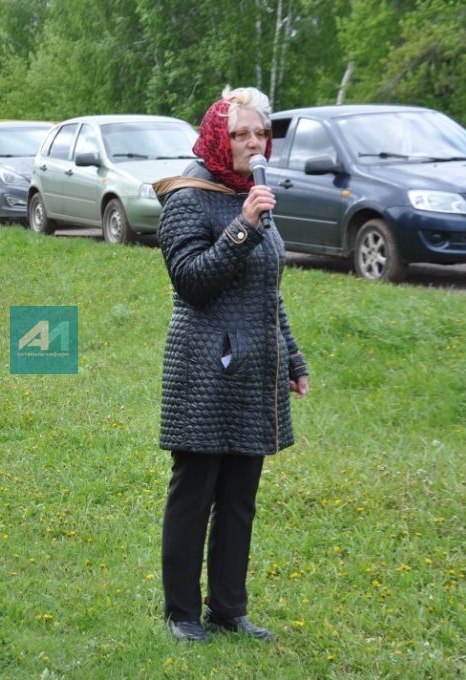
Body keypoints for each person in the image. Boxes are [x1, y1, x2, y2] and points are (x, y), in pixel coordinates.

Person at [152, 86, 310, 644]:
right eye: (240, 134)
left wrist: (292, 358)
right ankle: (181, 613)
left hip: (254, 372)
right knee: (195, 495)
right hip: (203, 369)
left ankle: (228, 609)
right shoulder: (188, 198)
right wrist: (243, 226)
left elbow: (269, 290)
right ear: (220, 138)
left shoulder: (256, 193)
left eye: (259, 134)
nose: (252, 143)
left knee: (240, 498)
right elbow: (192, 282)